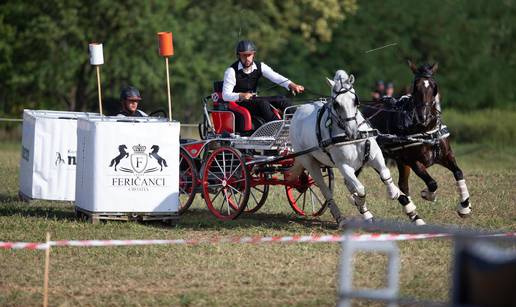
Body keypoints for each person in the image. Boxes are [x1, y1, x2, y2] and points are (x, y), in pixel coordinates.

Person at [222, 40, 304, 123]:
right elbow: (225, 95)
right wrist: (241, 95)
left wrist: (291, 84)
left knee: (282, 99)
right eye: (244, 55)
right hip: (239, 103)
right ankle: (278, 128)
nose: (247, 58)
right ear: (239, 56)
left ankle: (298, 123)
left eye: (249, 55)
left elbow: (276, 77)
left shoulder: (260, 66)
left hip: (254, 100)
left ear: (253, 54)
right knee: (263, 103)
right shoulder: (231, 71)